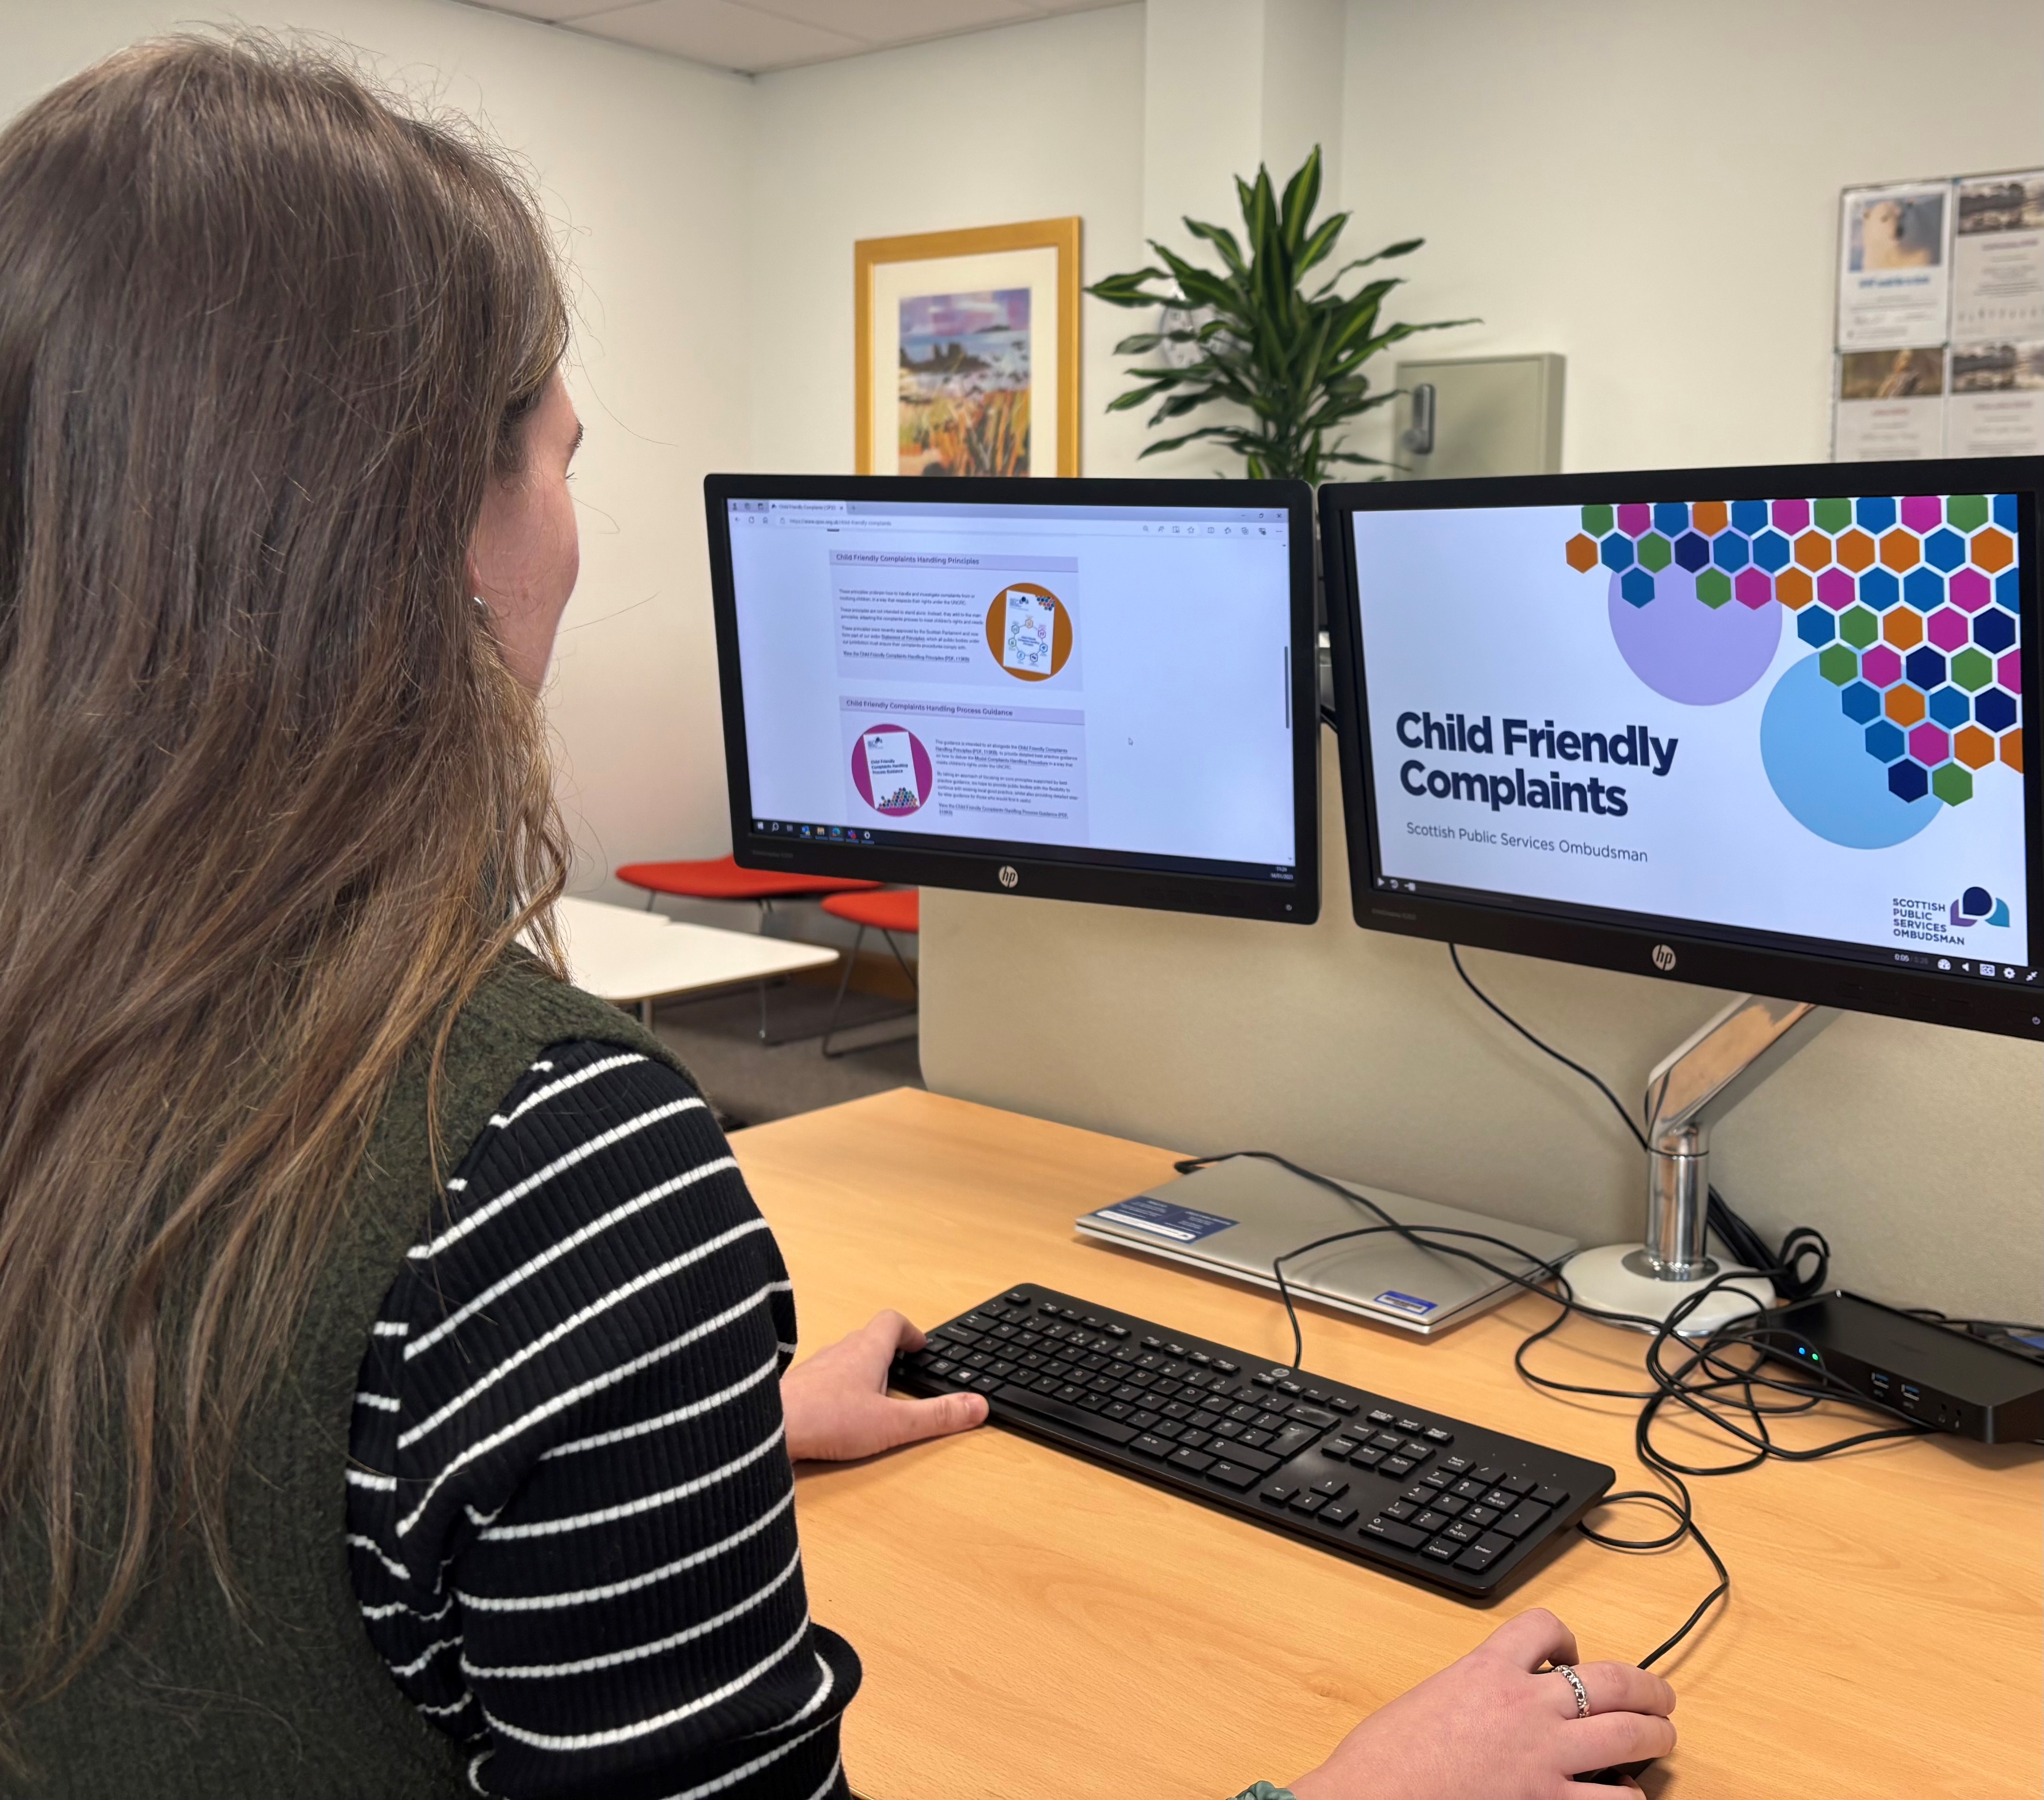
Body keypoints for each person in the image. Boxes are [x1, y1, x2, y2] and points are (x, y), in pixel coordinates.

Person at [0, 35, 1676, 1800]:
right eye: (556, 457)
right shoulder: (540, 1171)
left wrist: (662, 1452)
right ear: (422, 531)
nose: (577, 537)